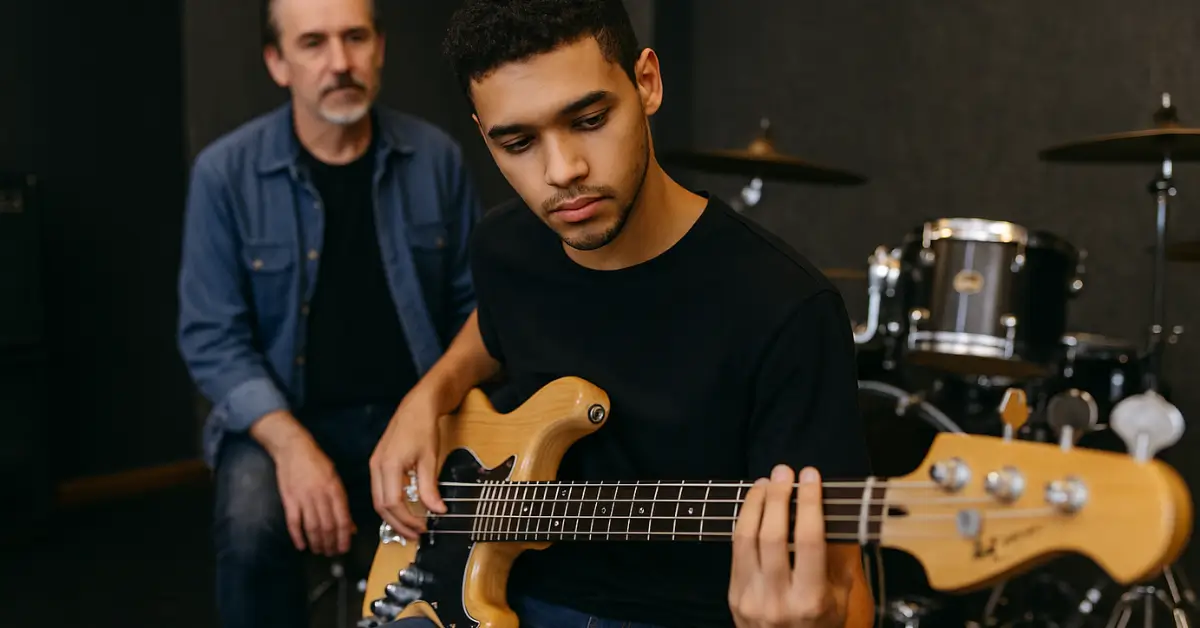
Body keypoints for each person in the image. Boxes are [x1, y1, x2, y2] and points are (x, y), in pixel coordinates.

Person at [369, 0, 874, 627]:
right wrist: (426, 395)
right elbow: (494, 329)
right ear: (483, 134)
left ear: (647, 82)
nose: (562, 172)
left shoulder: (786, 309)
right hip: (495, 596)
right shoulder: (505, 245)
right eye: (519, 142)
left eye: (588, 118)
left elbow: (845, 588)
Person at [175, 0, 482, 625]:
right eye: (313, 43)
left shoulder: (436, 158)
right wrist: (292, 446)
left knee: (477, 539)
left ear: (380, 48)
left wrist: (429, 404)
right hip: (281, 419)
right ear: (276, 62)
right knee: (250, 521)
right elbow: (211, 336)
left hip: (414, 411)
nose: (340, 63)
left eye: (354, 38)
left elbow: (477, 308)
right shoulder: (225, 175)